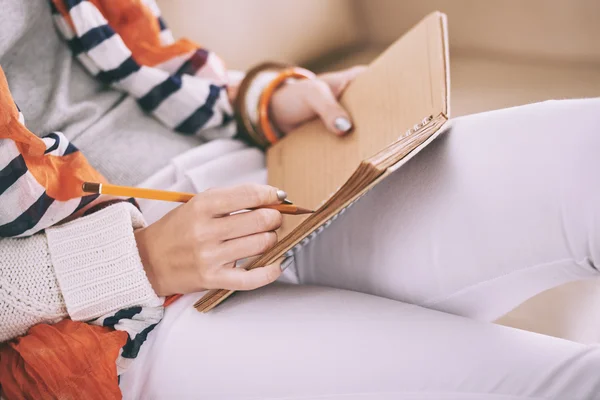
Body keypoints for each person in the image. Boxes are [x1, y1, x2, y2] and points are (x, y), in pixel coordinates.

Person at [1, 1, 600, 399]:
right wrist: (142, 259)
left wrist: (257, 100)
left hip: (264, 179)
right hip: (110, 316)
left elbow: (129, 66)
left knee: (585, 152)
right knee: (556, 385)